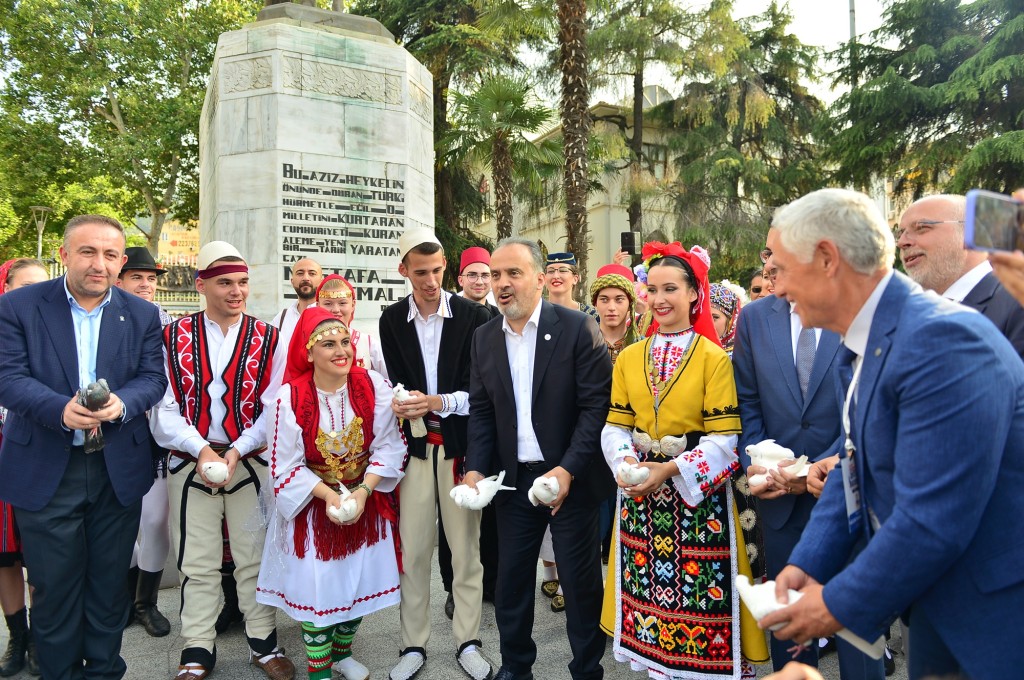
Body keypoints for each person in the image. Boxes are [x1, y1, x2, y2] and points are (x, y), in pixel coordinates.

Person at [757, 188, 1024, 680]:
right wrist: (809, 561)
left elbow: (933, 518)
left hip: (993, 624)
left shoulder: (942, 341)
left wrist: (831, 606)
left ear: (826, 259)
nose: (775, 290)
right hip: (934, 609)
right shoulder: (868, 340)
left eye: (782, 270)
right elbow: (852, 466)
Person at [0, 215, 167, 680]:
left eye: (111, 255)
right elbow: (7, 377)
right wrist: (59, 409)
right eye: (88, 252)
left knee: (109, 585)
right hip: (46, 466)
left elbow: (153, 379)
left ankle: (104, 672)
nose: (100, 264)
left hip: (117, 468)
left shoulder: (142, 314)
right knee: (53, 588)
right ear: (64, 255)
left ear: (121, 261)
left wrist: (122, 404)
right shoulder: (18, 306)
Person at [732, 247, 886, 679]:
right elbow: (748, 401)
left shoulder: (855, 310)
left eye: (776, 253)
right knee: (790, 624)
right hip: (777, 498)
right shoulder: (755, 318)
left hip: (843, 488)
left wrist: (814, 468)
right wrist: (761, 461)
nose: (767, 263)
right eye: (764, 253)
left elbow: (863, 404)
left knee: (855, 623)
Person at [465, 237, 613, 680]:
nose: (502, 283)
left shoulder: (576, 328)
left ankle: (587, 670)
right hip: (512, 484)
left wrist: (567, 470)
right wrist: (475, 467)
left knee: (580, 583)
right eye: (495, 275)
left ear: (541, 279)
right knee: (511, 583)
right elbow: (482, 410)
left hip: (573, 480)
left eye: (513, 273)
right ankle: (516, 669)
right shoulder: (484, 338)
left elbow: (595, 411)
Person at [599, 242, 746, 678]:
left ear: (693, 294)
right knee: (648, 602)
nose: (660, 299)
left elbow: (725, 438)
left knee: (702, 598)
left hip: (696, 501)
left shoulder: (713, 359)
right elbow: (615, 426)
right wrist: (627, 463)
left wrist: (668, 469)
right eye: (654, 290)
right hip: (639, 498)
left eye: (671, 289)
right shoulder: (628, 357)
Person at [150, 241, 294, 680]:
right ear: (201, 285)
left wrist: (236, 449)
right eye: (226, 283)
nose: (237, 291)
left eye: (243, 282)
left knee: (254, 556)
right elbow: (163, 406)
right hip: (190, 460)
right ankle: (196, 648)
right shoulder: (171, 337)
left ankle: (264, 644)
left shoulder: (269, 337)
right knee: (197, 559)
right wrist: (202, 450)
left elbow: (275, 407)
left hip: (248, 460)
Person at [257, 308, 406, 680]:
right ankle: (319, 670)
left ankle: (341, 655)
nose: (341, 351)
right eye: (327, 344)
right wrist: (330, 497)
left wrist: (363, 492)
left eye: (344, 342)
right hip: (313, 507)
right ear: (308, 353)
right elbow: (284, 466)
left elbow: (390, 446)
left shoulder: (372, 384)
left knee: (359, 584)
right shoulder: (289, 397)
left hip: (364, 502)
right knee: (319, 592)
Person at [378, 228, 492, 680]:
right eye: (420, 272)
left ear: (447, 267)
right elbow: (390, 382)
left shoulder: (474, 316)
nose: (430, 280)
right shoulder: (390, 320)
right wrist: (399, 400)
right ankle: (413, 645)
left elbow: (482, 392)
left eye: (438, 270)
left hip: (461, 451)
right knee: (414, 553)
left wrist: (437, 401)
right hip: (413, 451)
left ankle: (468, 641)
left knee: (465, 551)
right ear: (404, 271)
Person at [438, 247, 501, 619]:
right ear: (459, 278)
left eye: (485, 275)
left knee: (491, 512)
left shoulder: (496, 315)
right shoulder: (449, 317)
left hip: (490, 425)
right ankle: (452, 586)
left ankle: (490, 582)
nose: (480, 281)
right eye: (473, 275)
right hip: (456, 429)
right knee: (456, 511)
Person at [114, 246, 174, 638]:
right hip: (114, 434)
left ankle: (146, 602)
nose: (146, 284)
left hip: (155, 438)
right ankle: (126, 592)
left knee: (154, 521)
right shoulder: (104, 319)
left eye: (151, 278)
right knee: (117, 523)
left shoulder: (167, 322)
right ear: (119, 280)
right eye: (137, 276)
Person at [897, 193, 1024, 358]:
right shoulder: (907, 317)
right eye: (899, 233)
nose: (902, 242)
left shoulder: (1016, 302)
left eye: (921, 227)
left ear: (972, 231)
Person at [0, 258, 48, 677]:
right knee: (4, 555)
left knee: (41, 552)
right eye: (23, 286)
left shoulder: (49, 334)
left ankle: (42, 635)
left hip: (37, 455)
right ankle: (18, 636)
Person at [316, 275, 388, 378]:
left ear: (353, 305)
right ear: (318, 306)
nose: (336, 309)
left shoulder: (369, 344)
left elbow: (390, 383)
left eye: (342, 303)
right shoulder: (311, 344)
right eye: (328, 304)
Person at [273, 258, 323, 351]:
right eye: (300, 273)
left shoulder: (329, 315)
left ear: (321, 280)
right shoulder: (280, 319)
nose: (306, 278)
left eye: (312, 273)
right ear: (292, 281)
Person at [544, 252, 599, 320]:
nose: (556, 276)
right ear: (544, 278)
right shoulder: (534, 314)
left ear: (575, 279)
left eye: (563, 270)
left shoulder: (591, 316)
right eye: (550, 271)